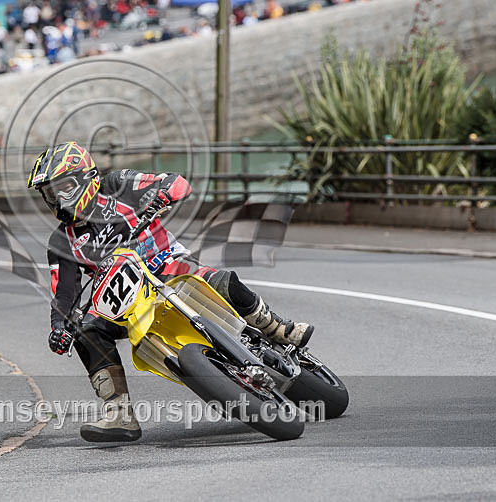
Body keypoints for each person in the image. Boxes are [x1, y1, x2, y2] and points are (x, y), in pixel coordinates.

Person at [27, 142, 315, 442]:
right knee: (87, 331)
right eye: (49, 193)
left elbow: (175, 182)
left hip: (168, 265)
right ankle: (119, 412)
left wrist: (163, 193)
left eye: (63, 187)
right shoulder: (62, 242)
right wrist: (59, 327)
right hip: (125, 296)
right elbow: (63, 294)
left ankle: (279, 328)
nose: (57, 199)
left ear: (87, 178)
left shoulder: (117, 184)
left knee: (224, 281)